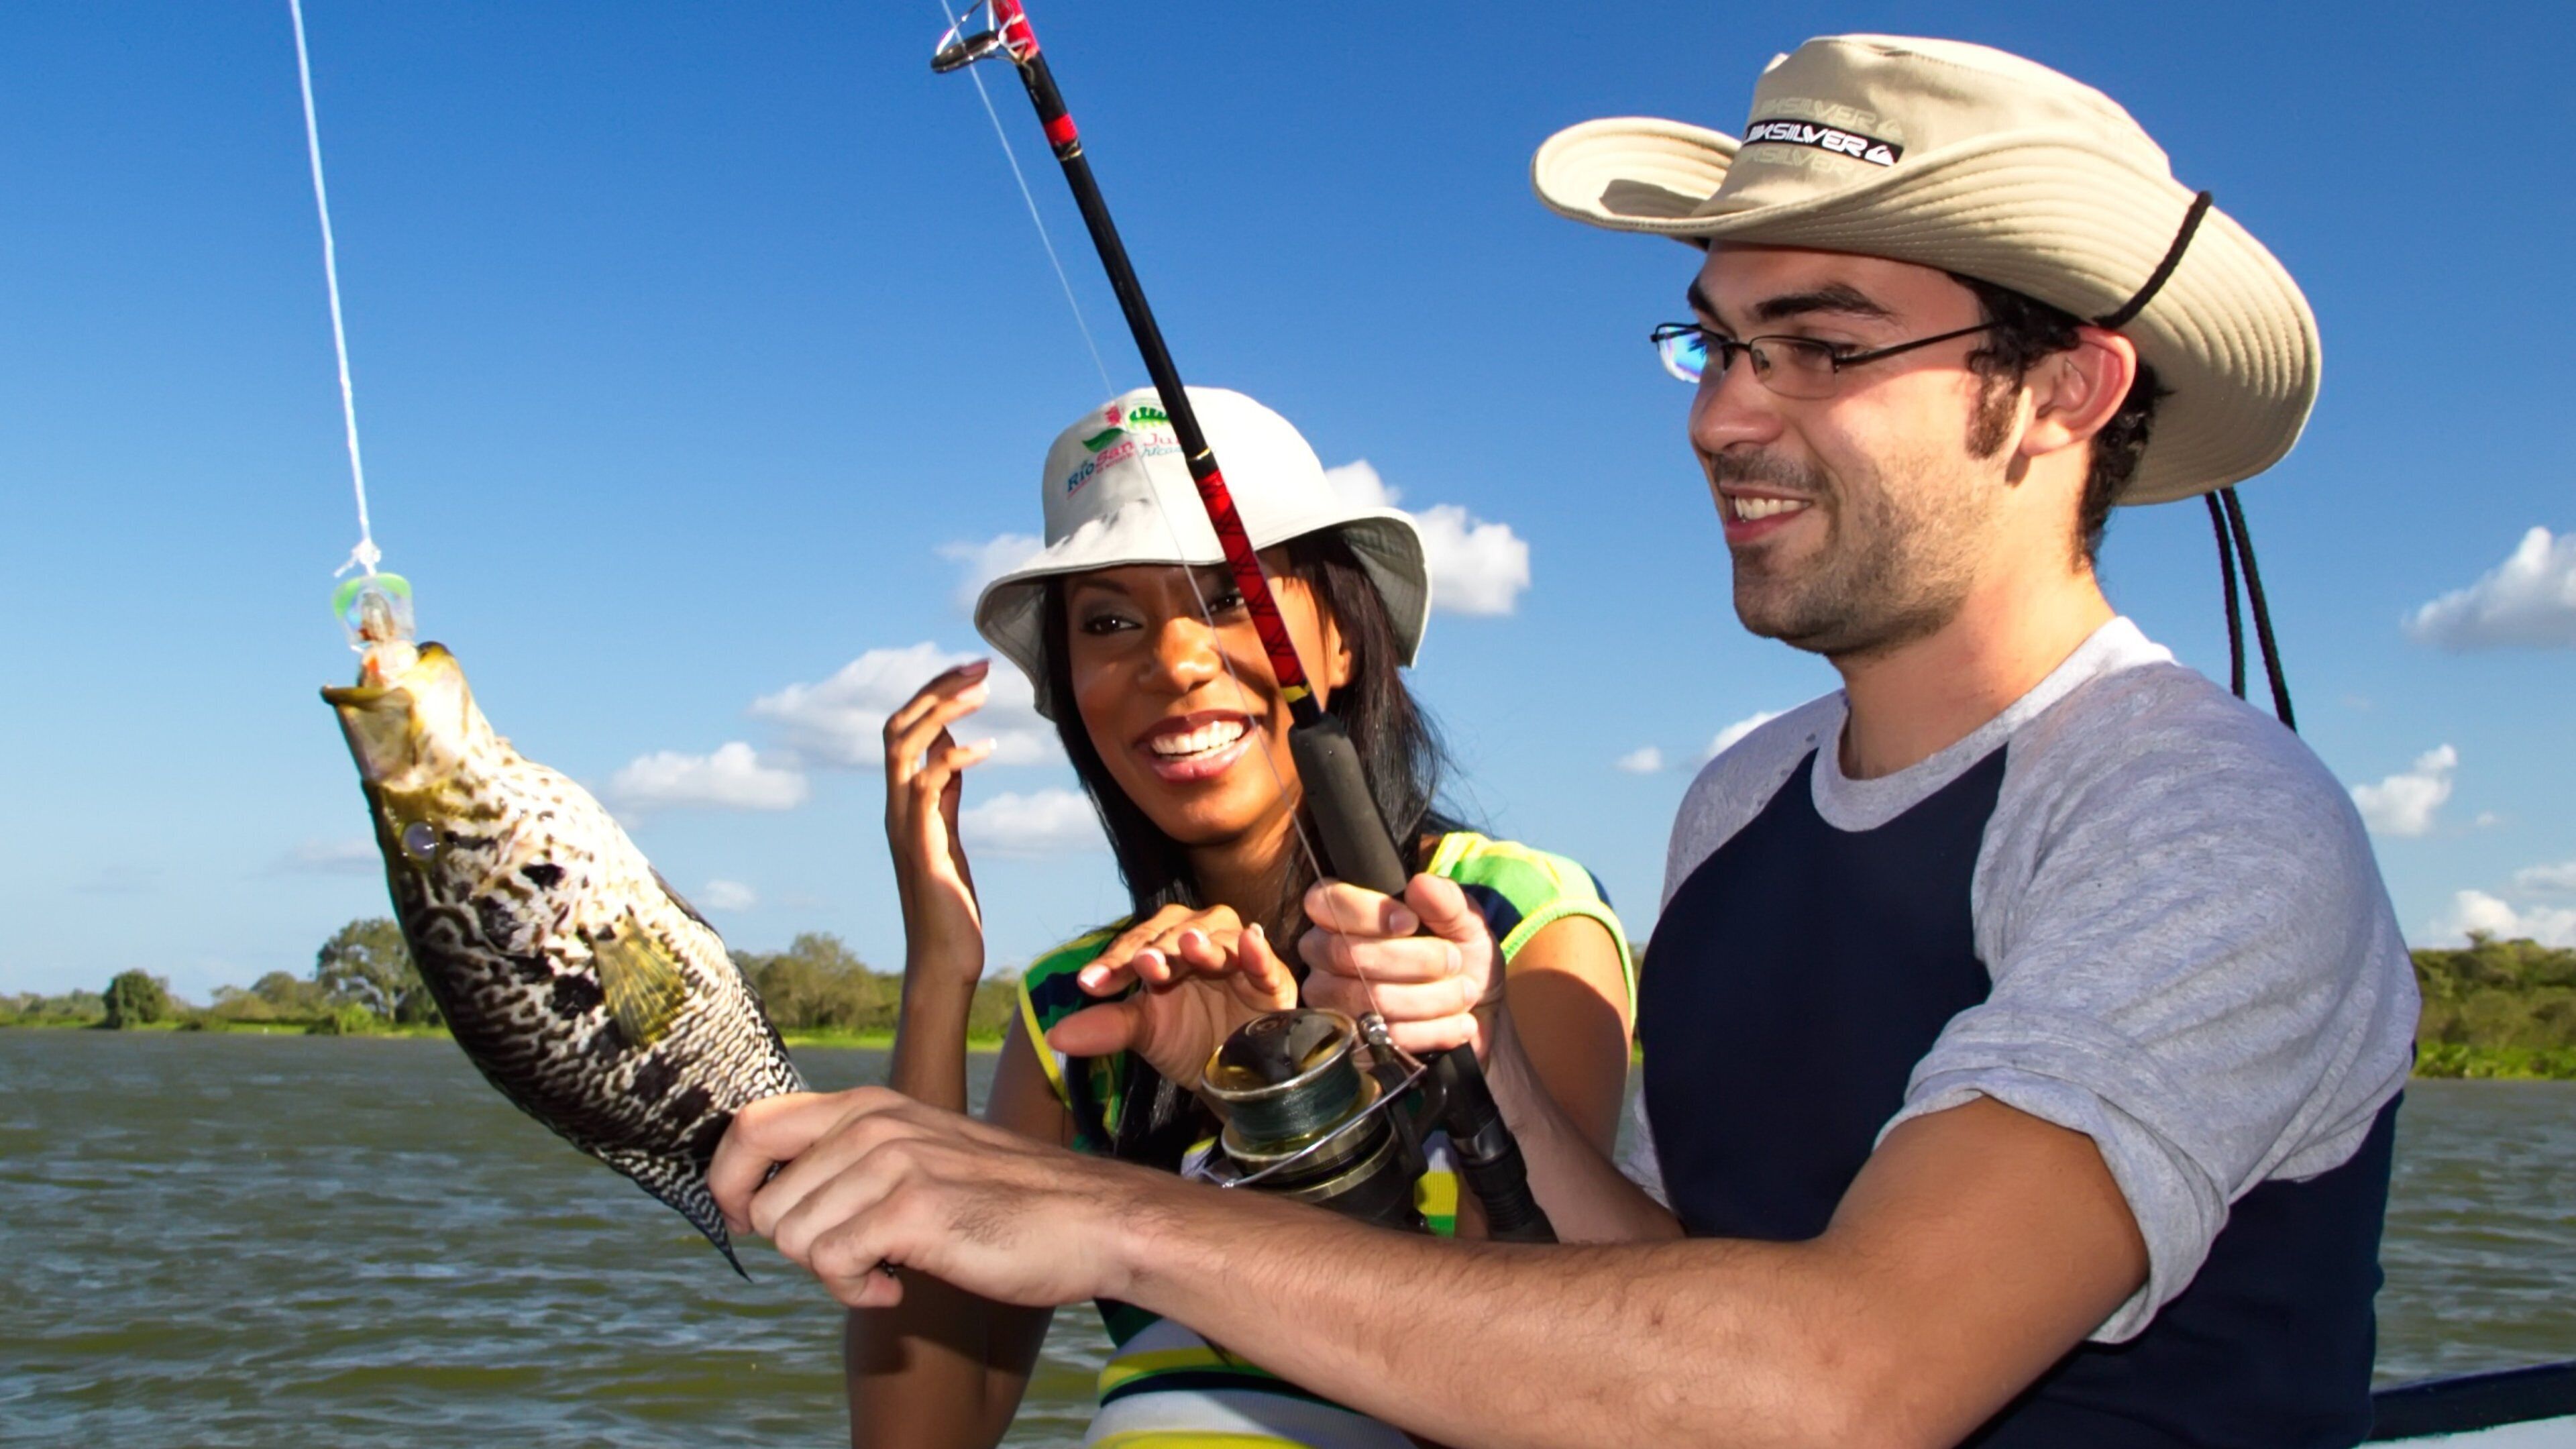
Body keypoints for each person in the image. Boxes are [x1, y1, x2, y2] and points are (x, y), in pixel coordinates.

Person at [715, 36, 2420, 1448]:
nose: (1719, 415)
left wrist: (1100, 1211)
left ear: (2068, 393)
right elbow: (1665, 1278)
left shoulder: (2203, 822)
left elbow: (1848, 1379)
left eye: (1820, 346)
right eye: (1717, 341)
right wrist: (1507, 1080)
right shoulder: (1746, 803)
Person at [853, 384, 1635, 1448]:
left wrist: (1288, 1112)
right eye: (1110, 622)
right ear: (1072, 689)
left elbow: (1554, 1367)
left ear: (1348, 642)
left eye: (1227, 599)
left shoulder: (1520, 925)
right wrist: (938, 973)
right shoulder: (1077, 1011)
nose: (1172, 663)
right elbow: (920, 1436)